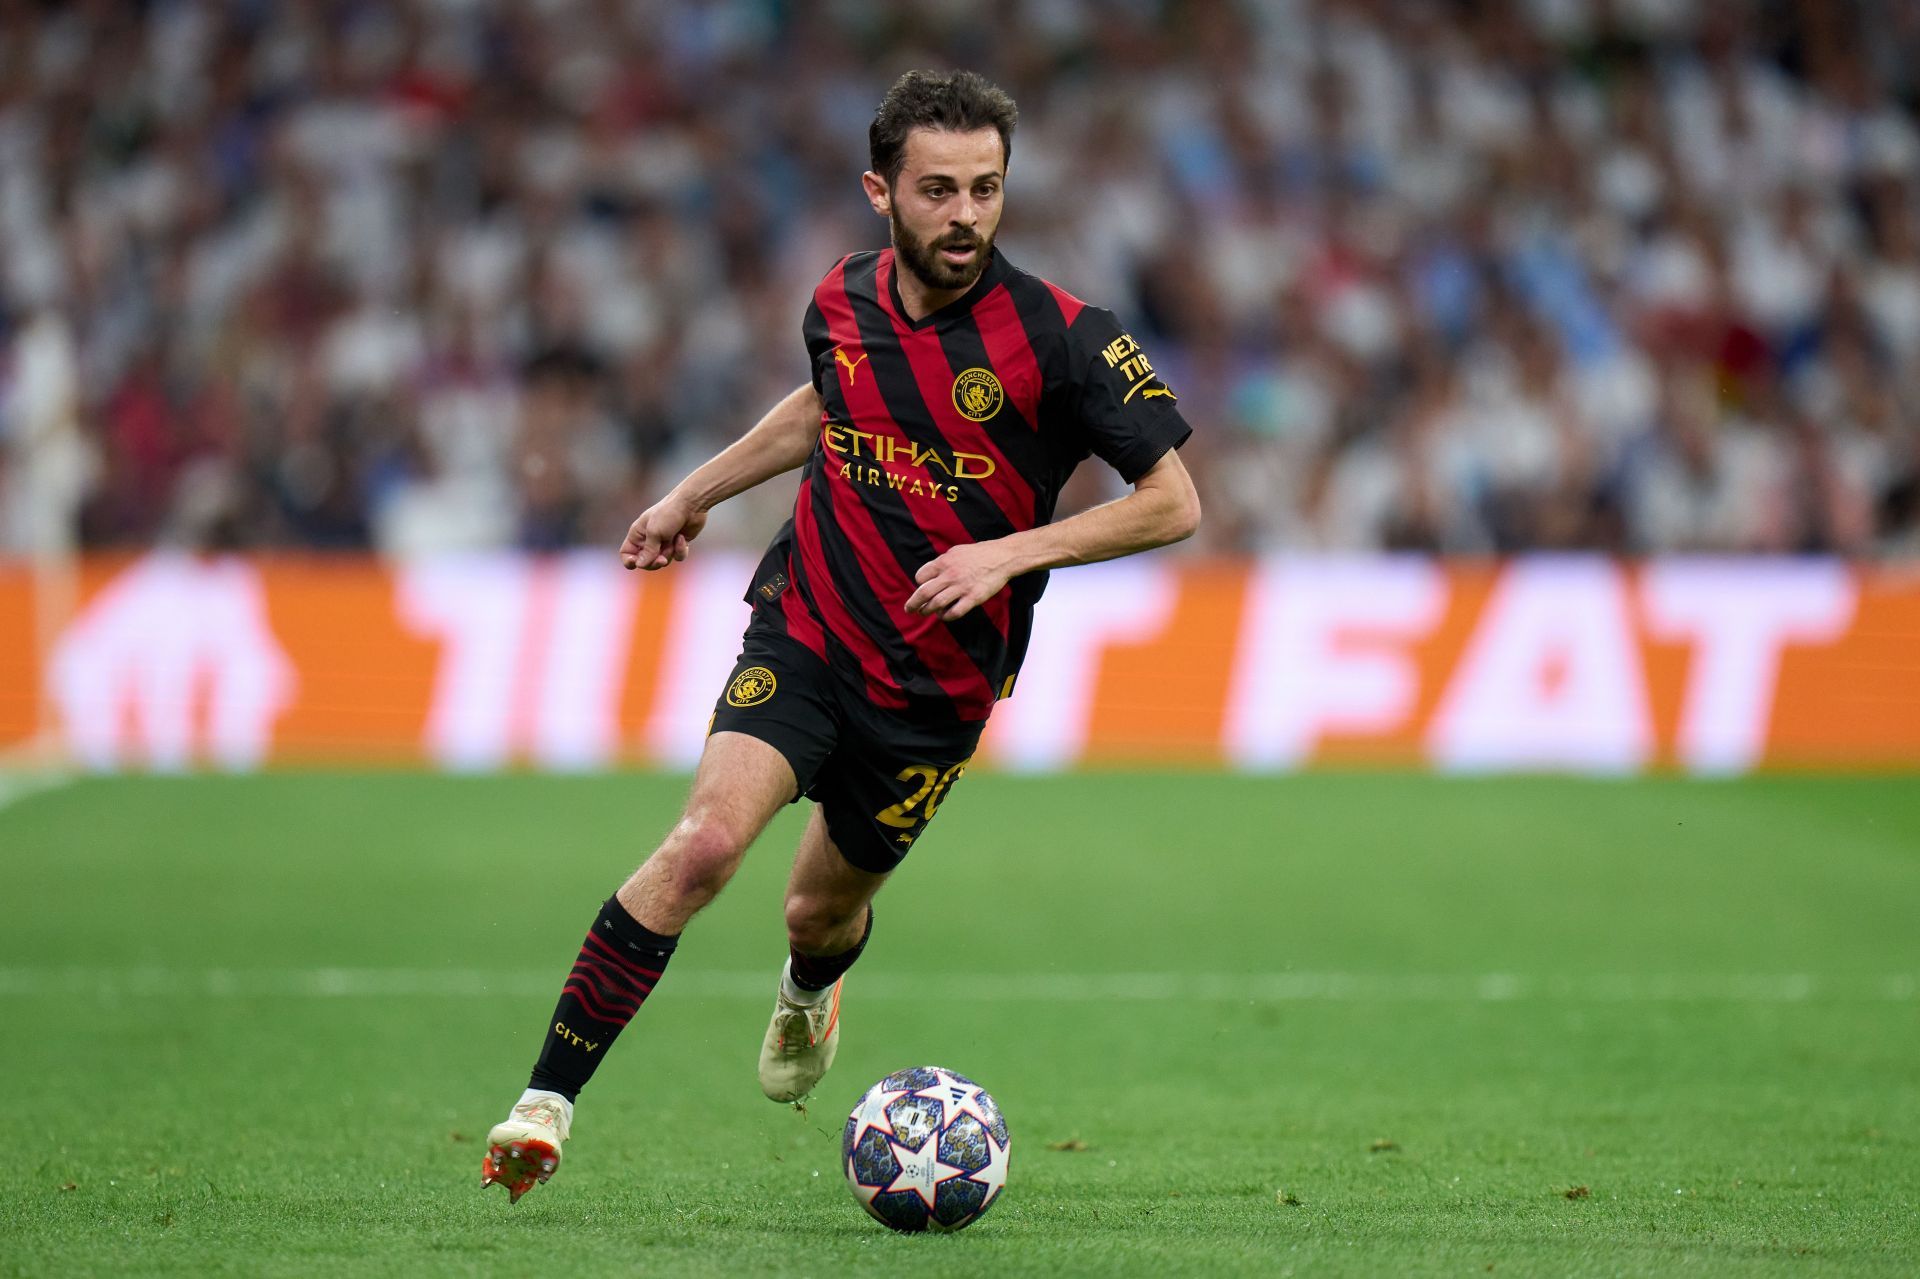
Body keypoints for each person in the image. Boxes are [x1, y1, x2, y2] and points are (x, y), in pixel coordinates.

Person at [481, 68, 1200, 1203]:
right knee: (705, 847)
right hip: (807, 633)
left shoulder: (1064, 338)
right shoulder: (841, 299)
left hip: (937, 692)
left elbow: (1174, 501)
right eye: (938, 191)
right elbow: (827, 401)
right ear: (882, 192)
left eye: (986, 189)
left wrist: (1008, 552)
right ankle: (543, 1106)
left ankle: (812, 982)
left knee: (819, 908)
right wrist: (694, 491)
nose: (966, 215)